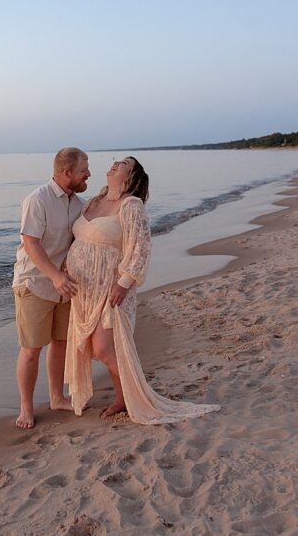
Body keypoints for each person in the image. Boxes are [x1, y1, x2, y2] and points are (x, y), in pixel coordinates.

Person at [64, 157, 220, 423]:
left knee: (103, 348)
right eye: (116, 161)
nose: (115, 163)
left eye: (123, 163)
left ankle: (136, 394)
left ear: (131, 176)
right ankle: (123, 399)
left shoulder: (131, 206)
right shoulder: (93, 201)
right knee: (103, 347)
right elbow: (79, 238)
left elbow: (141, 248)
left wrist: (123, 284)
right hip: (84, 290)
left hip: (111, 287)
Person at [12, 147, 91, 430]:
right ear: (66, 173)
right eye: (84, 170)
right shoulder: (38, 200)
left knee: (60, 343)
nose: (88, 174)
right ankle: (26, 407)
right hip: (34, 283)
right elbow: (31, 243)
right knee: (32, 348)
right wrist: (55, 276)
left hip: (64, 285)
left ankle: (57, 397)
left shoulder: (80, 204)